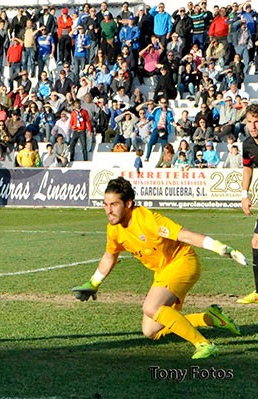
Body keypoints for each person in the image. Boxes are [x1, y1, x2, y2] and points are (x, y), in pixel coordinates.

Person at [72, 177, 245, 359]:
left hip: (183, 261)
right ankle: (210, 318)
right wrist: (93, 283)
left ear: (128, 203)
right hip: (164, 271)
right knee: (151, 330)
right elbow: (110, 256)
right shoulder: (113, 229)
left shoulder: (148, 219)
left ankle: (203, 344)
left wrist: (217, 246)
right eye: (105, 204)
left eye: (114, 204)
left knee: (151, 307)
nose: (108, 210)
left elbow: (184, 234)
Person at [239, 105, 258, 304]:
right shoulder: (248, 145)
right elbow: (247, 169)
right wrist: (244, 194)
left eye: (257, 122)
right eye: (250, 122)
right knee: (256, 242)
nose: (253, 126)